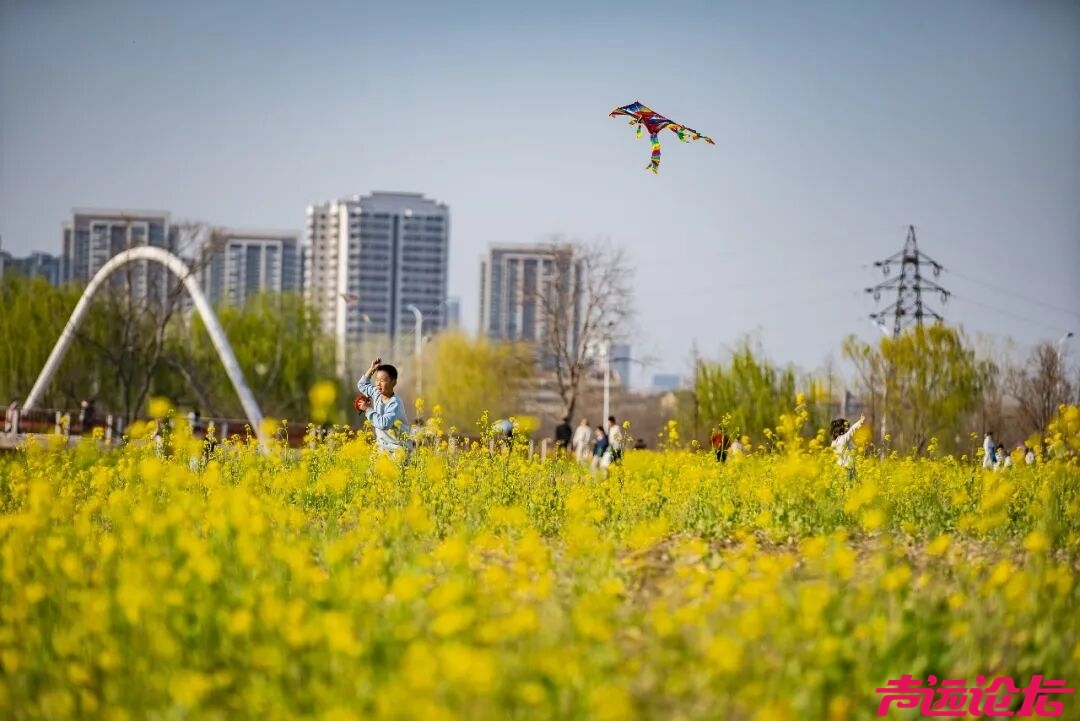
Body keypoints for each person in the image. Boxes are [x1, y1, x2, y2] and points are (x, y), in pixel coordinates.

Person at [356, 357, 411, 455]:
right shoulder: (377, 393)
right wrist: (371, 369)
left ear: (393, 382)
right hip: (381, 446)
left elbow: (384, 424)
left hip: (398, 448)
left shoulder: (395, 403)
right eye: (377, 380)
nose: (378, 384)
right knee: (371, 471)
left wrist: (368, 410)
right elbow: (362, 385)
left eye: (383, 380)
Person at [830, 415, 865, 479]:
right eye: (845, 427)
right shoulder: (843, 439)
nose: (847, 429)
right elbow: (852, 430)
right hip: (847, 469)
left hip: (840, 468)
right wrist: (860, 422)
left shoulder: (834, 442)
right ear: (842, 428)